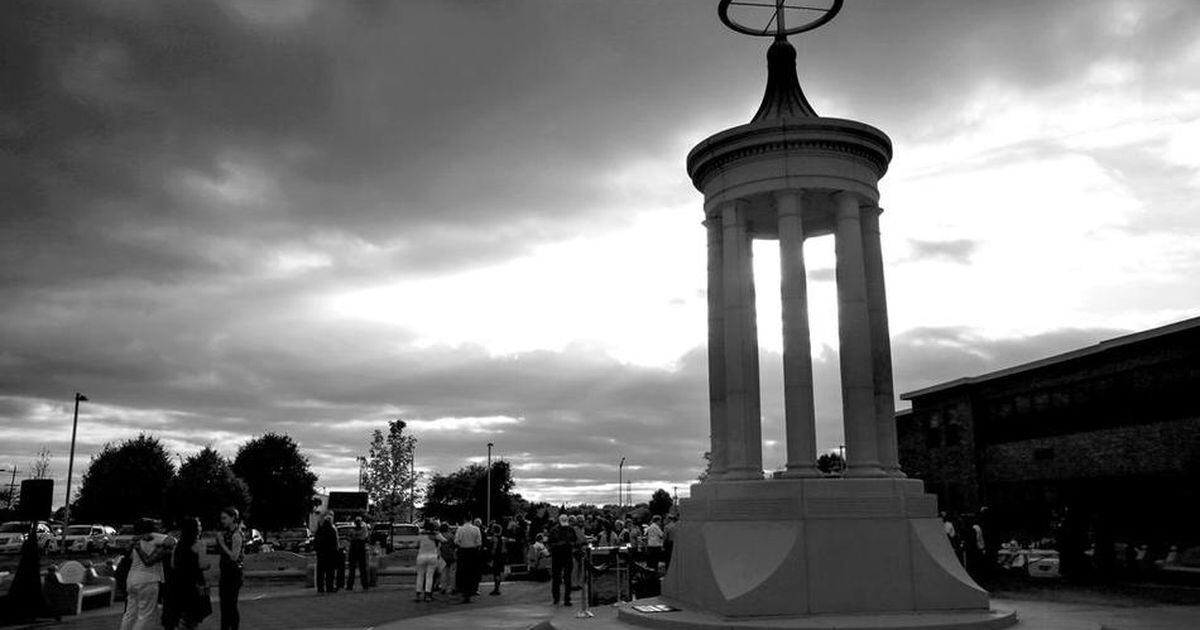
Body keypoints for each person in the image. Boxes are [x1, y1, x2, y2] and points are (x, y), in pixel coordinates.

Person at [120, 518, 169, 630]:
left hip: (132, 578)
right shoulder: (155, 538)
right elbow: (172, 541)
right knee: (145, 615)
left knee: (130, 613)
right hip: (148, 579)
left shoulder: (135, 541)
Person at [169, 517, 211, 630]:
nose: (201, 528)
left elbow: (173, 564)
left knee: (183, 617)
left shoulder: (178, 545)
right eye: (199, 526)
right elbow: (203, 564)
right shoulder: (199, 544)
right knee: (193, 618)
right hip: (194, 583)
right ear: (194, 529)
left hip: (179, 583)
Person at [215, 507, 244, 630]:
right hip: (225, 572)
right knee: (224, 604)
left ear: (233, 518)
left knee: (231, 605)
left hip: (233, 573)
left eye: (225, 518)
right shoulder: (226, 533)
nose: (223, 521)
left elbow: (234, 556)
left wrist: (221, 543)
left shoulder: (237, 534)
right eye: (222, 518)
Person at [548, 514, 578, 606]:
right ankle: (556, 598)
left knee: (567, 578)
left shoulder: (570, 529)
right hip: (557, 556)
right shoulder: (554, 530)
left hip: (567, 556)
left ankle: (567, 598)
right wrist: (561, 544)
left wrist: (570, 544)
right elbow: (550, 543)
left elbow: (575, 540)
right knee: (556, 578)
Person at [453, 515, 482, 603]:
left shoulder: (460, 529)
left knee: (463, 572)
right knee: (472, 572)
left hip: (463, 551)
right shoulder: (476, 529)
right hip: (473, 551)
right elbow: (479, 542)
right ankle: (471, 590)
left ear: (464, 519)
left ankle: (463, 590)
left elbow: (457, 541)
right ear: (471, 520)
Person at [414, 520, 441, 602]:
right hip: (432, 556)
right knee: (429, 576)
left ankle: (418, 594)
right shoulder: (435, 535)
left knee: (420, 576)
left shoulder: (421, 534)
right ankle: (428, 594)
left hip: (421, 556)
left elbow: (416, 544)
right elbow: (444, 540)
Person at [314, 516, 340, 593]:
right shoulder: (332, 530)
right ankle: (329, 587)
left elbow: (316, 542)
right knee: (330, 572)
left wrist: (317, 550)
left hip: (321, 554)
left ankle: (320, 588)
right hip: (330, 554)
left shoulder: (320, 530)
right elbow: (335, 543)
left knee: (320, 572)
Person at [345, 516, 370, 591]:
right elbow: (365, 537)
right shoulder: (363, 529)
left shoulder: (353, 530)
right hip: (359, 549)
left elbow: (349, 537)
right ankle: (364, 585)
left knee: (355, 568)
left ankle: (351, 585)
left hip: (355, 548)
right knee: (360, 568)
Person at [487, 522, 505, 596]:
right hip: (500, 557)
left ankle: (496, 588)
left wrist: (491, 556)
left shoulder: (494, 538)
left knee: (496, 572)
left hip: (496, 557)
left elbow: (494, 548)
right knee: (498, 573)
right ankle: (497, 588)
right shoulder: (501, 538)